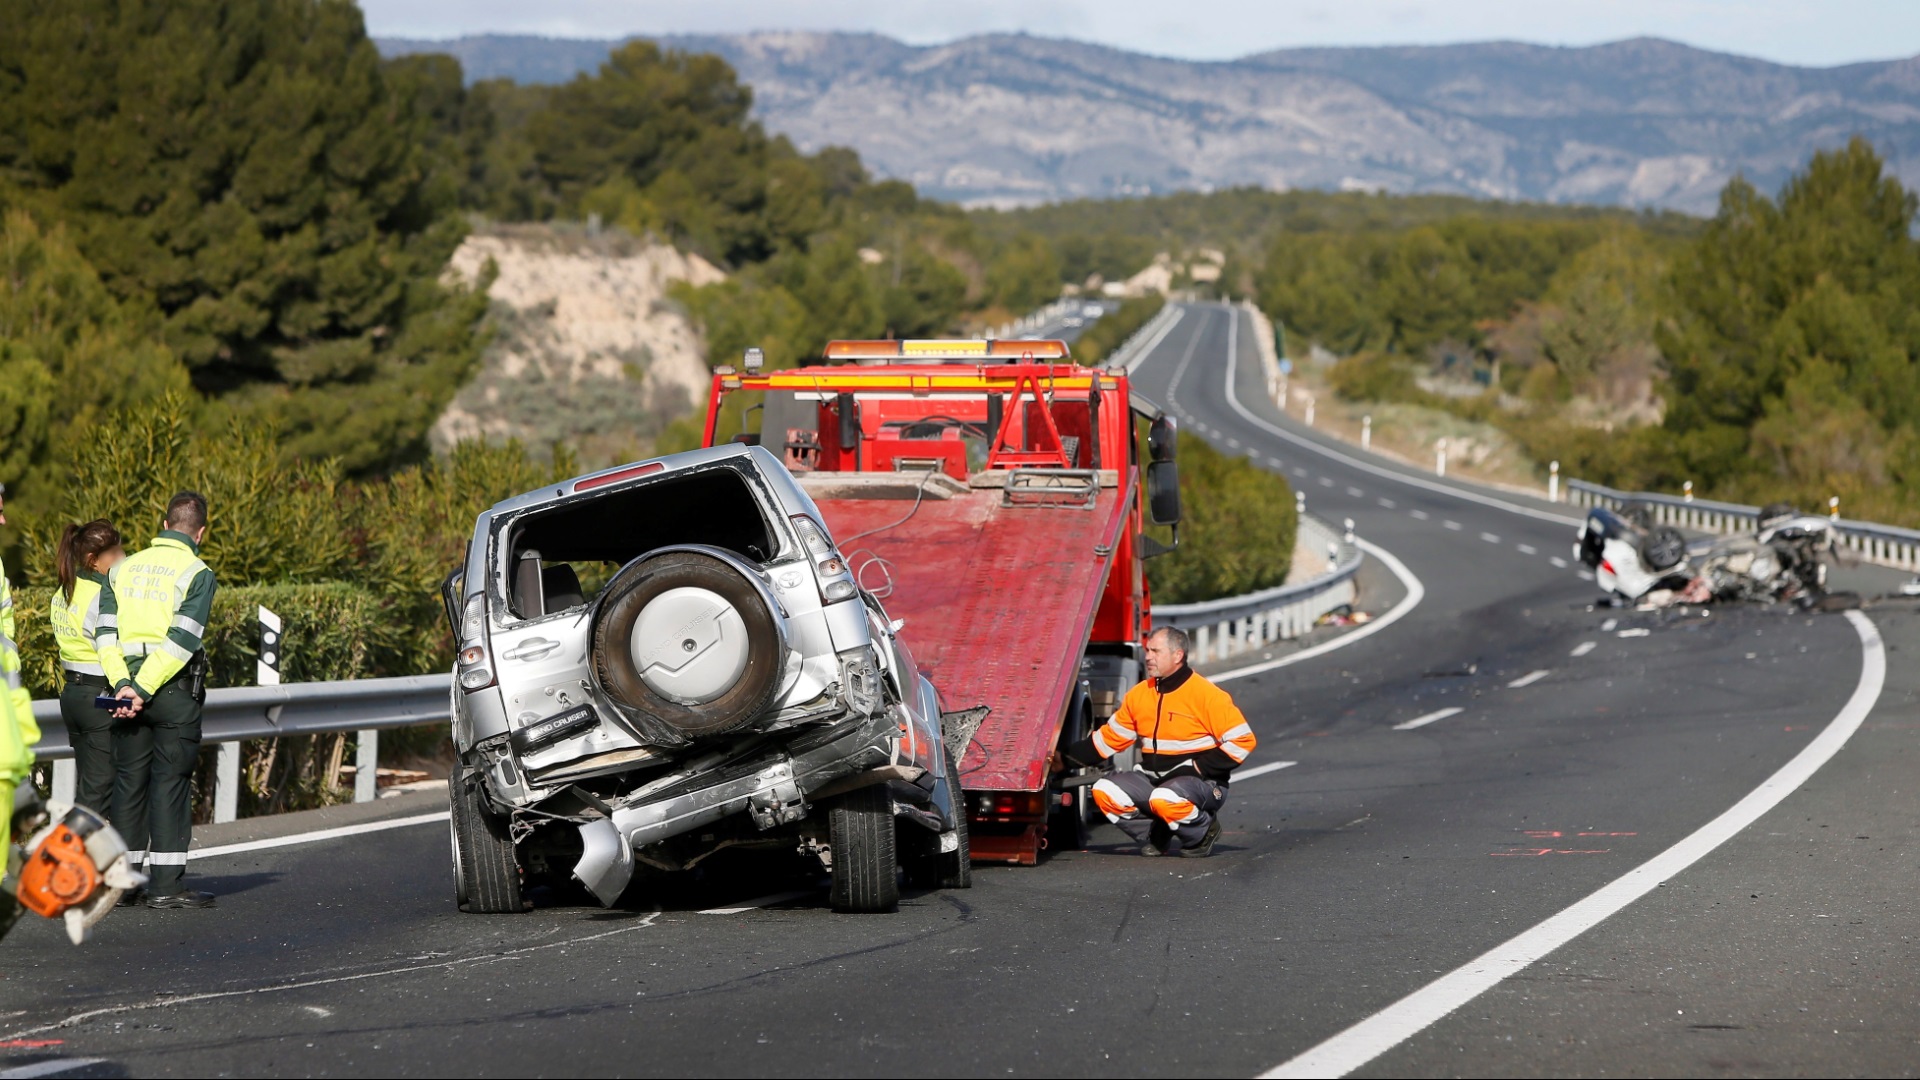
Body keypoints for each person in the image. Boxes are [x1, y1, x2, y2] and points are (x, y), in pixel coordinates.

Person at [98, 492, 216, 909]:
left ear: (164, 525)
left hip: (124, 689)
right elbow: (182, 641)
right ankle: (165, 886)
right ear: (200, 532)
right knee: (169, 784)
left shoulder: (121, 569)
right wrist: (145, 689)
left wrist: (124, 686)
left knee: (129, 784)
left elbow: (105, 636)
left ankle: (124, 884)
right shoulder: (198, 572)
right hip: (170, 691)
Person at [1059, 626, 1256, 857]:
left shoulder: (1206, 694)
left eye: (1155, 651)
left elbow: (1243, 741)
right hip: (1154, 781)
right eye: (1147, 650)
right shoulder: (1139, 694)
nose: (1148, 657)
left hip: (1204, 784)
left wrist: (1196, 768)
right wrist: (1063, 760)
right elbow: (1107, 740)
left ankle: (1203, 831)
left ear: (1178, 655)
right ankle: (1156, 833)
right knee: (1103, 791)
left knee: (1164, 798)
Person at [52, 520, 129, 815]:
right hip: (98, 694)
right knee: (97, 787)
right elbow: (111, 644)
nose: (122, 557)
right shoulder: (100, 597)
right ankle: (65, 854)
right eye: (115, 552)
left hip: (72, 694)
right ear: (93, 560)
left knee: (91, 783)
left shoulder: (63, 592)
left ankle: (90, 857)